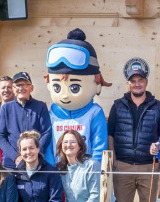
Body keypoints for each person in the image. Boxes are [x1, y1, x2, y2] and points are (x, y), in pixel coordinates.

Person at [108, 60, 160, 202]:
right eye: (133, 81)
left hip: (149, 166)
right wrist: (112, 157)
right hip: (123, 165)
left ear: (146, 82)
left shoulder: (158, 107)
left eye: (140, 80)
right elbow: (111, 133)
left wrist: (159, 159)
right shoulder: (117, 105)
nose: (137, 84)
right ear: (128, 84)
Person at [45, 29, 112, 165]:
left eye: (74, 88)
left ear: (97, 84)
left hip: (85, 175)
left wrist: (94, 170)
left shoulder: (94, 113)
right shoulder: (51, 114)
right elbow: (47, 145)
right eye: (57, 87)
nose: (64, 95)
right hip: (59, 173)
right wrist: (51, 168)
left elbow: (100, 145)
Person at [0, 72, 52, 170]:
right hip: (11, 164)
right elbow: (0, 136)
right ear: (13, 89)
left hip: (36, 162)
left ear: (31, 88)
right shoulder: (6, 108)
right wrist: (15, 157)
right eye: (18, 85)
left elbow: (47, 132)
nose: (21, 88)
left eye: (25, 84)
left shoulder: (41, 107)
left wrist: (34, 153)